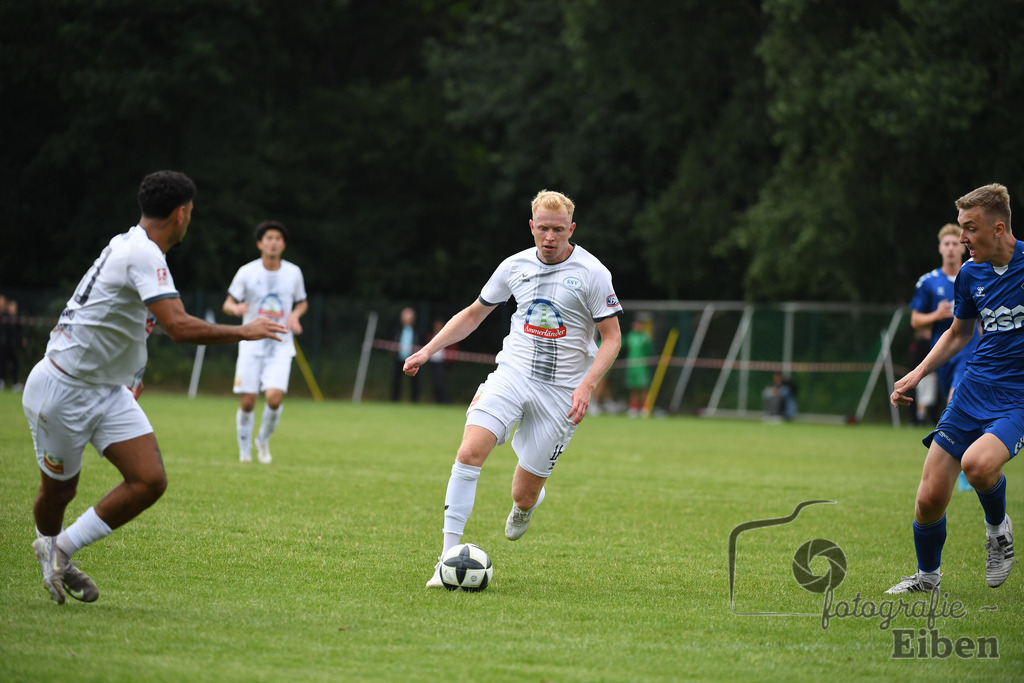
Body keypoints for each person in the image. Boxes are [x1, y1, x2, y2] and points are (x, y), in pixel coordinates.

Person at [22, 170, 286, 605]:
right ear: (181, 214)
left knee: (149, 480)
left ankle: (60, 550)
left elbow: (125, 323)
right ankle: (47, 543)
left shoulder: (134, 246)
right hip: (63, 390)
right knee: (59, 492)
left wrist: (132, 377)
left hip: (107, 390)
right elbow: (178, 328)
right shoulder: (142, 254)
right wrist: (245, 330)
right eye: (192, 212)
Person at [402, 190, 622, 588]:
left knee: (522, 494)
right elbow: (473, 314)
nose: (550, 237)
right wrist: (427, 351)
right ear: (531, 226)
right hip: (513, 373)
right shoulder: (513, 266)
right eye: (542, 228)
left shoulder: (593, 273)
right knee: (469, 451)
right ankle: (444, 560)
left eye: (558, 230)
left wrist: (587, 385)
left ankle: (527, 505)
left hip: (562, 393)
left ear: (571, 229)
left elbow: (612, 338)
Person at [888, 183, 1018, 594]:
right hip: (974, 389)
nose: (962, 239)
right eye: (960, 228)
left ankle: (997, 530)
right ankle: (927, 579)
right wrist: (917, 373)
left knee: (978, 465)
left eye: (970, 228)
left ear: (998, 229)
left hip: (1017, 397)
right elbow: (959, 333)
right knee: (929, 499)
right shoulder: (970, 274)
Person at [223, 221, 308, 464]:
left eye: (278, 238)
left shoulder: (293, 272)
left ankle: (262, 440)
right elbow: (227, 303)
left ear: (283, 244)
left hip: (281, 344)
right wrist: (235, 308)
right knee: (248, 401)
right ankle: (244, 450)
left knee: (274, 398)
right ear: (260, 243)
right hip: (251, 343)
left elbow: (302, 302)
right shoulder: (247, 271)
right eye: (268, 238)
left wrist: (294, 315)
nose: (273, 242)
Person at [910, 223, 981, 491]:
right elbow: (915, 320)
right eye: (947, 244)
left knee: (956, 401)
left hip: (970, 353)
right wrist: (936, 316)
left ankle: (964, 468)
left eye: (956, 244)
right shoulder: (928, 282)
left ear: (963, 247)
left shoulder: (975, 274)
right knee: (953, 407)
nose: (952, 248)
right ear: (940, 248)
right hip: (942, 355)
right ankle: (966, 459)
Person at [624, 314, 654, 416]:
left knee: (643, 387)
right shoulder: (630, 336)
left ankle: (645, 408)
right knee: (634, 388)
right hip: (631, 366)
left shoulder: (646, 337)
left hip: (642, 366)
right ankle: (633, 407)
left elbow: (649, 351)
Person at [391, 307, 421, 402]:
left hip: (413, 359)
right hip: (398, 359)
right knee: (396, 380)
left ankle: (415, 401)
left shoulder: (417, 331)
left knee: (414, 382)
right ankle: (394, 400)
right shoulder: (397, 329)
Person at [427, 318, 455, 404]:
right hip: (433, 362)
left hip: (442, 362)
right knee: (435, 382)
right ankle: (437, 400)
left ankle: (445, 400)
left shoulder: (447, 336)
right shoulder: (431, 336)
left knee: (441, 382)